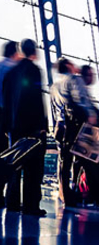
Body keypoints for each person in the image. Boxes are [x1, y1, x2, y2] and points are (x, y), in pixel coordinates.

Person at [3, 39, 48, 217]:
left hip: (14, 126)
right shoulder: (34, 70)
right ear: (33, 51)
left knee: (14, 164)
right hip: (31, 126)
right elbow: (36, 98)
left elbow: (6, 100)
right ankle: (31, 205)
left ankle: (12, 202)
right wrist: (42, 125)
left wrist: (7, 125)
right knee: (34, 167)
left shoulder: (10, 72)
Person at [51, 57, 98, 207]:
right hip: (75, 128)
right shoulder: (74, 80)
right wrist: (91, 114)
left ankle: (66, 196)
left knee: (64, 164)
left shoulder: (54, 85)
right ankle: (92, 195)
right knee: (88, 161)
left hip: (60, 127)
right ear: (67, 66)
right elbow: (81, 100)